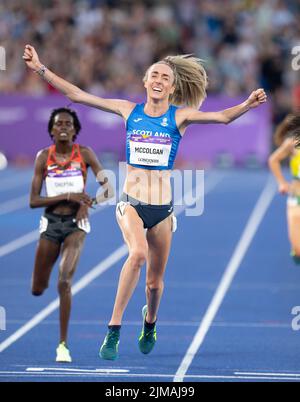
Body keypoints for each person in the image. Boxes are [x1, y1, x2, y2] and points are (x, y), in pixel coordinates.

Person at [23, 45, 267, 360]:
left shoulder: (179, 117)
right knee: (136, 254)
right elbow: (80, 95)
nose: (158, 80)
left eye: (165, 77)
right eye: (154, 74)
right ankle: (113, 329)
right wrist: (41, 69)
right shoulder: (129, 110)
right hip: (131, 203)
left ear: (172, 87)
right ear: (144, 80)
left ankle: (149, 322)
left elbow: (221, 117)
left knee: (154, 283)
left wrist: (247, 104)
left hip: (163, 210)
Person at [29, 107, 114, 362]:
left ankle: (63, 345)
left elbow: (108, 189)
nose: (64, 126)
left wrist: (88, 203)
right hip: (51, 223)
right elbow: (33, 200)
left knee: (65, 282)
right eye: (59, 124)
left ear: (75, 130)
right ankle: (40, 284)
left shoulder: (85, 154)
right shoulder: (43, 157)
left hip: (76, 226)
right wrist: (67, 196)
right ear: (52, 131)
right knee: (38, 288)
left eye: (68, 123)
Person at [268, 114, 300, 264]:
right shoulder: (293, 143)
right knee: (298, 250)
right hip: (296, 200)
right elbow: (273, 160)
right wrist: (281, 183)